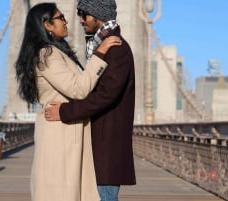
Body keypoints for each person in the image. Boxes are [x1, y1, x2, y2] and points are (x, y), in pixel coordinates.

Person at [14, 3, 121, 201]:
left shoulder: (56, 52)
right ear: (47, 25)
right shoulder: (47, 54)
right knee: (59, 193)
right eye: (60, 18)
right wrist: (100, 53)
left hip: (66, 132)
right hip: (59, 135)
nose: (66, 21)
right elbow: (78, 89)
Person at [45, 0, 136, 200]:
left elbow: (104, 96)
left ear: (97, 15)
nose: (80, 20)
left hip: (106, 148)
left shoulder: (117, 48)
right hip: (98, 146)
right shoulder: (102, 46)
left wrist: (65, 111)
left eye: (84, 14)